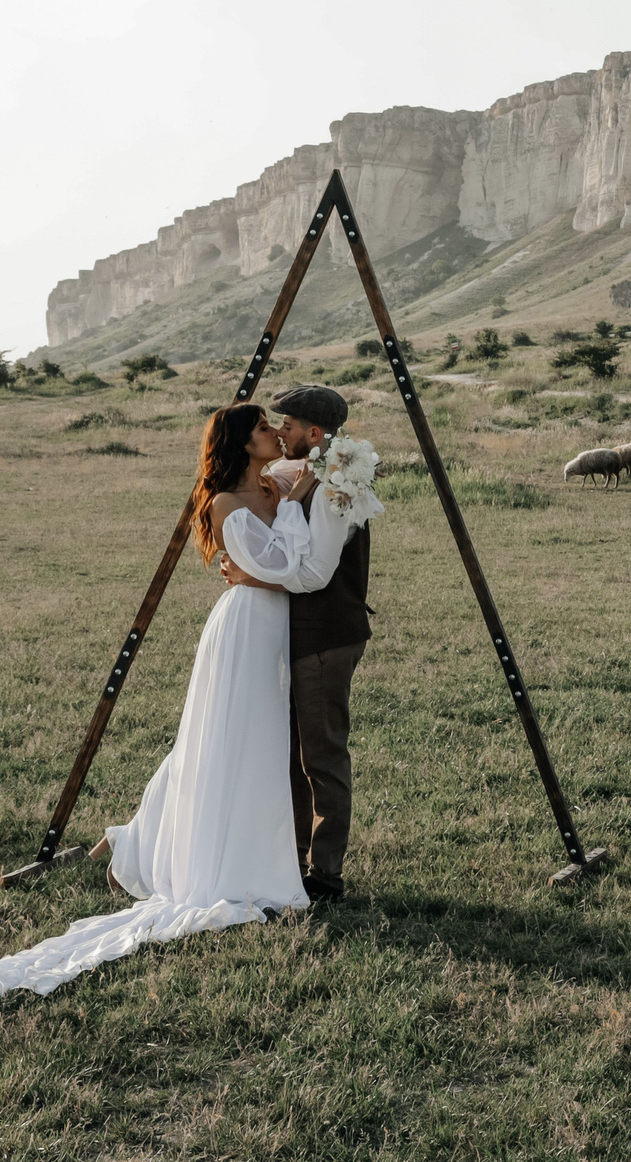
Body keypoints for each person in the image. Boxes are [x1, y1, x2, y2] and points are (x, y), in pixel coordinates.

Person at [0, 403, 371, 997]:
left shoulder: (280, 483)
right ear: (240, 444)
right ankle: (191, 852)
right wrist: (258, 563)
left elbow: (298, 515)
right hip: (249, 626)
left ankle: (143, 835)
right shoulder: (229, 501)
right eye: (261, 428)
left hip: (280, 628)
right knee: (229, 737)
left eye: (278, 426)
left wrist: (301, 489)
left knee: (257, 744)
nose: (274, 433)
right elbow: (277, 566)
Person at [230, 384, 373, 903]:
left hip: (325, 636)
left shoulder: (335, 484)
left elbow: (314, 574)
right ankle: (291, 860)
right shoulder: (311, 472)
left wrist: (253, 579)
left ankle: (325, 876)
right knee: (293, 756)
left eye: (286, 424)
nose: (279, 431)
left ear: (313, 433)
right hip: (305, 635)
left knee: (322, 756)